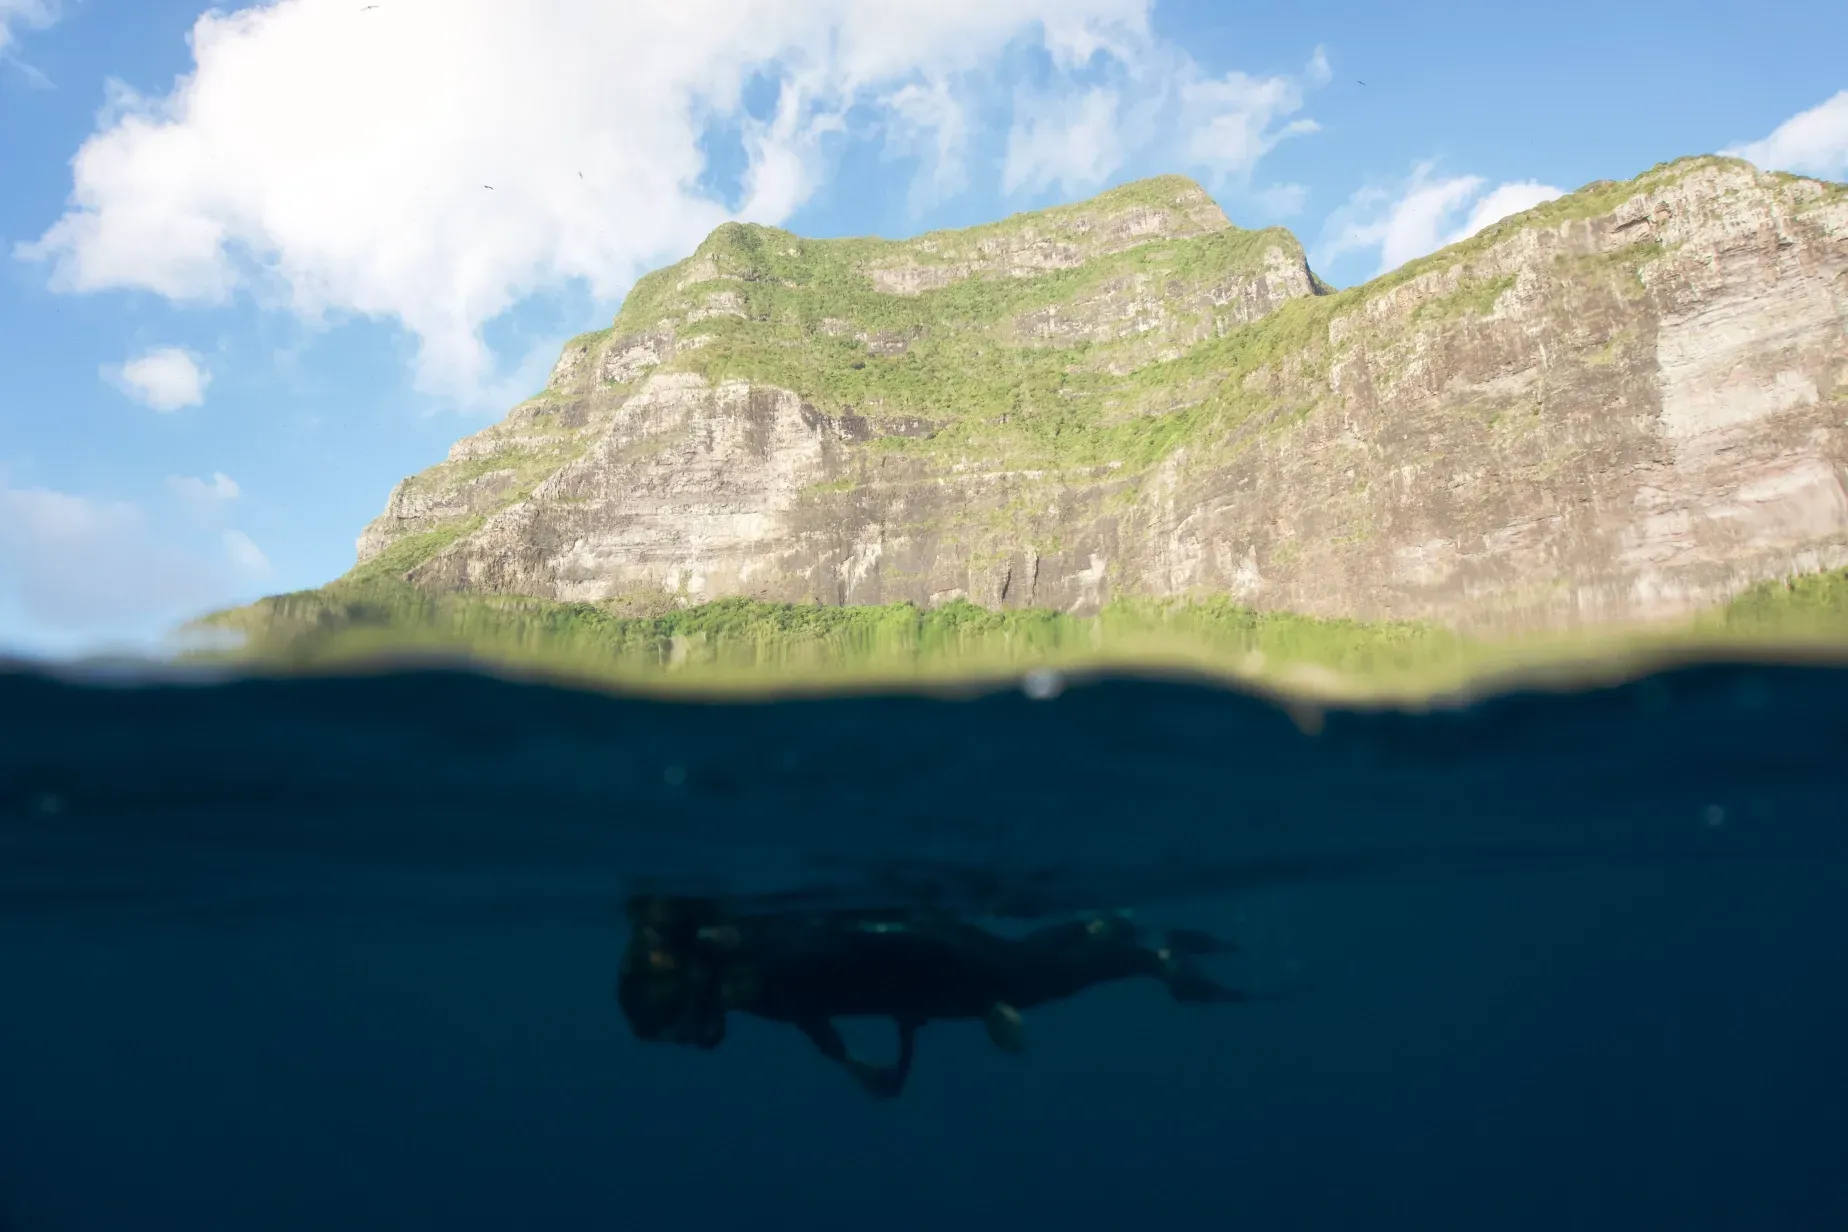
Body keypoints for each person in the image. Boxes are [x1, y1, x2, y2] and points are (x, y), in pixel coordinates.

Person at [615, 893, 1245, 1099]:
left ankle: (1151, 958)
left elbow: (906, 956)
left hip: (947, 967)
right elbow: (808, 1008)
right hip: (939, 979)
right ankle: (1099, 927)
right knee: (1029, 962)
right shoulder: (749, 983)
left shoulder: (774, 963)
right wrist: (848, 1060)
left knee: (1036, 979)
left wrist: (983, 1000)